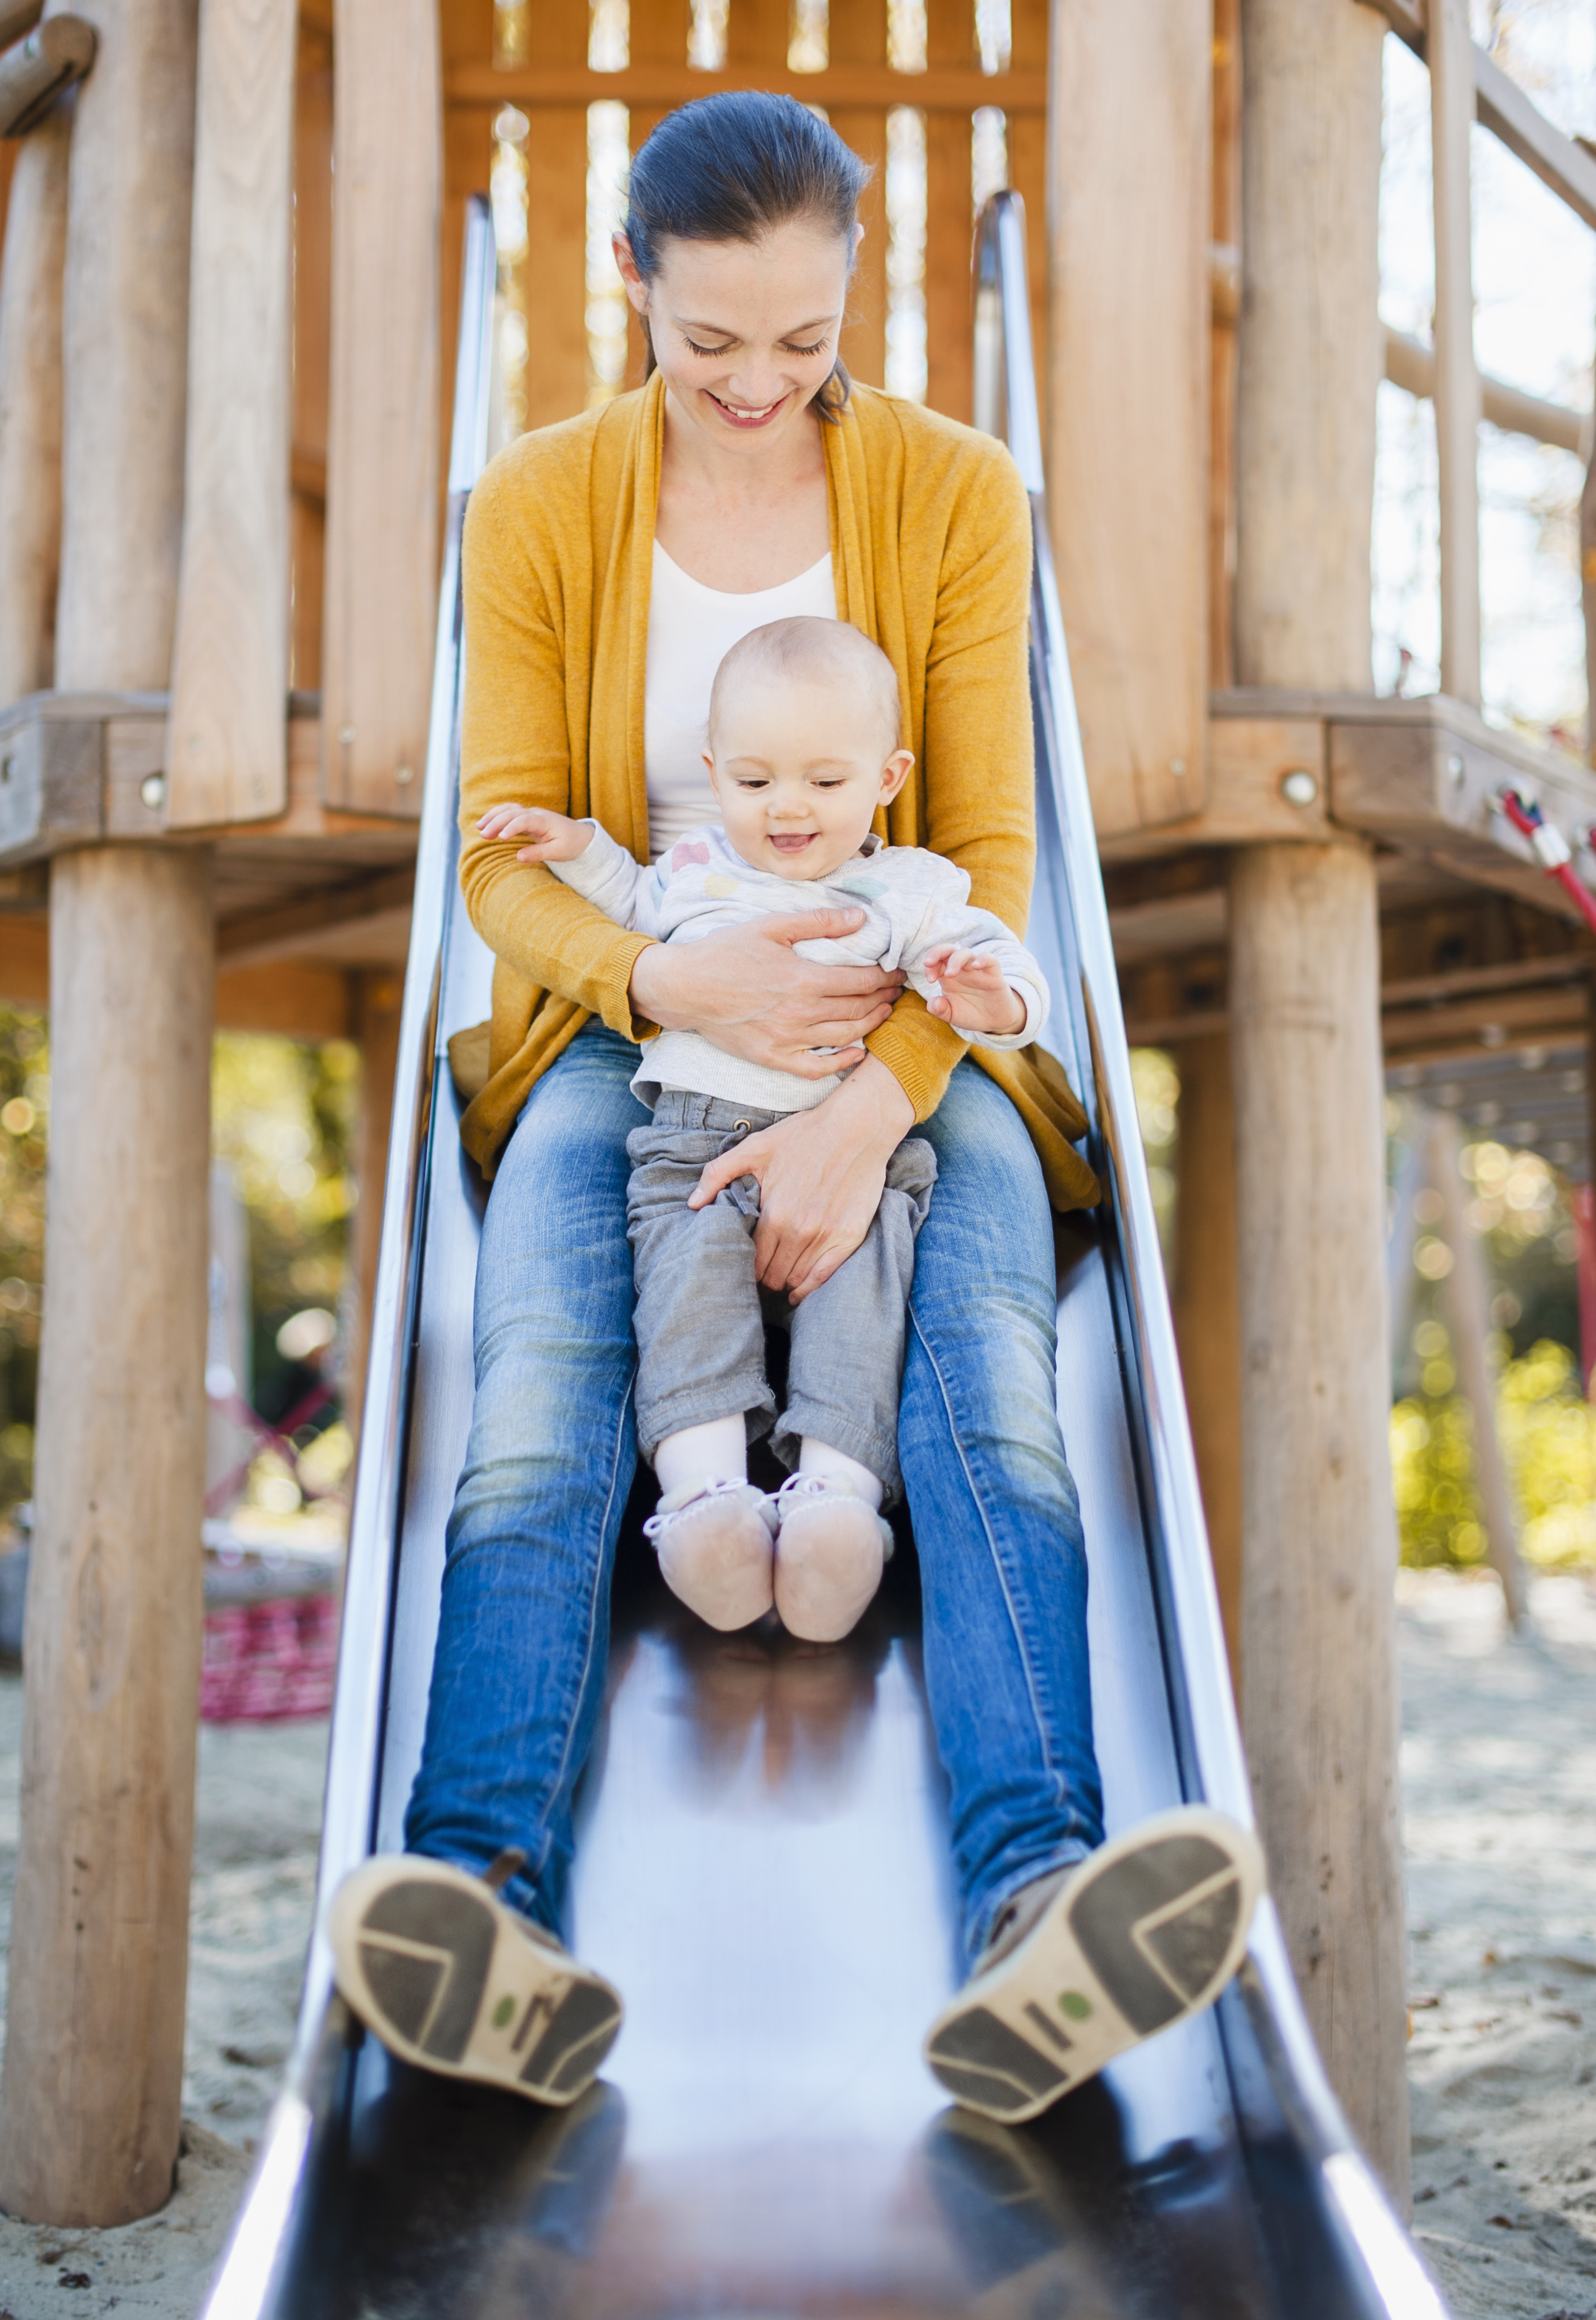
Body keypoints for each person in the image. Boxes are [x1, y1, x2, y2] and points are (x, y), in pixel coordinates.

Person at [327, 91, 1263, 2126]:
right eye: (708, 345)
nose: (758, 388)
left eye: (805, 344)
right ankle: (475, 1893)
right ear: (630, 291)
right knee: (541, 1382)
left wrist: (869, 1113)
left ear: (853, 305)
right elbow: (498, 859)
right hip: (620, 1032)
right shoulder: (540, 503)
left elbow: (990, 854)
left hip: (910, 1032)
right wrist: (657, 971)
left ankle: (1036, 1903)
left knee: (991, 1385)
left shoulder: (952, 491)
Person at [479, 613, 1051, 1645]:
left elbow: (1005, 963)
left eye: (824, 784)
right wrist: (577, 850)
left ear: (887, 775)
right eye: (753, 783)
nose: (786, 808)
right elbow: (632, 902)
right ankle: (705, 1501)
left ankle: (835, 1498)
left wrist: (988, 998)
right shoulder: (698, 867)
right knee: (682, 1295)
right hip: (689, 1150)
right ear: (712, 773)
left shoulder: (911, 887)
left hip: (851, 1157)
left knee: (860, 1300)